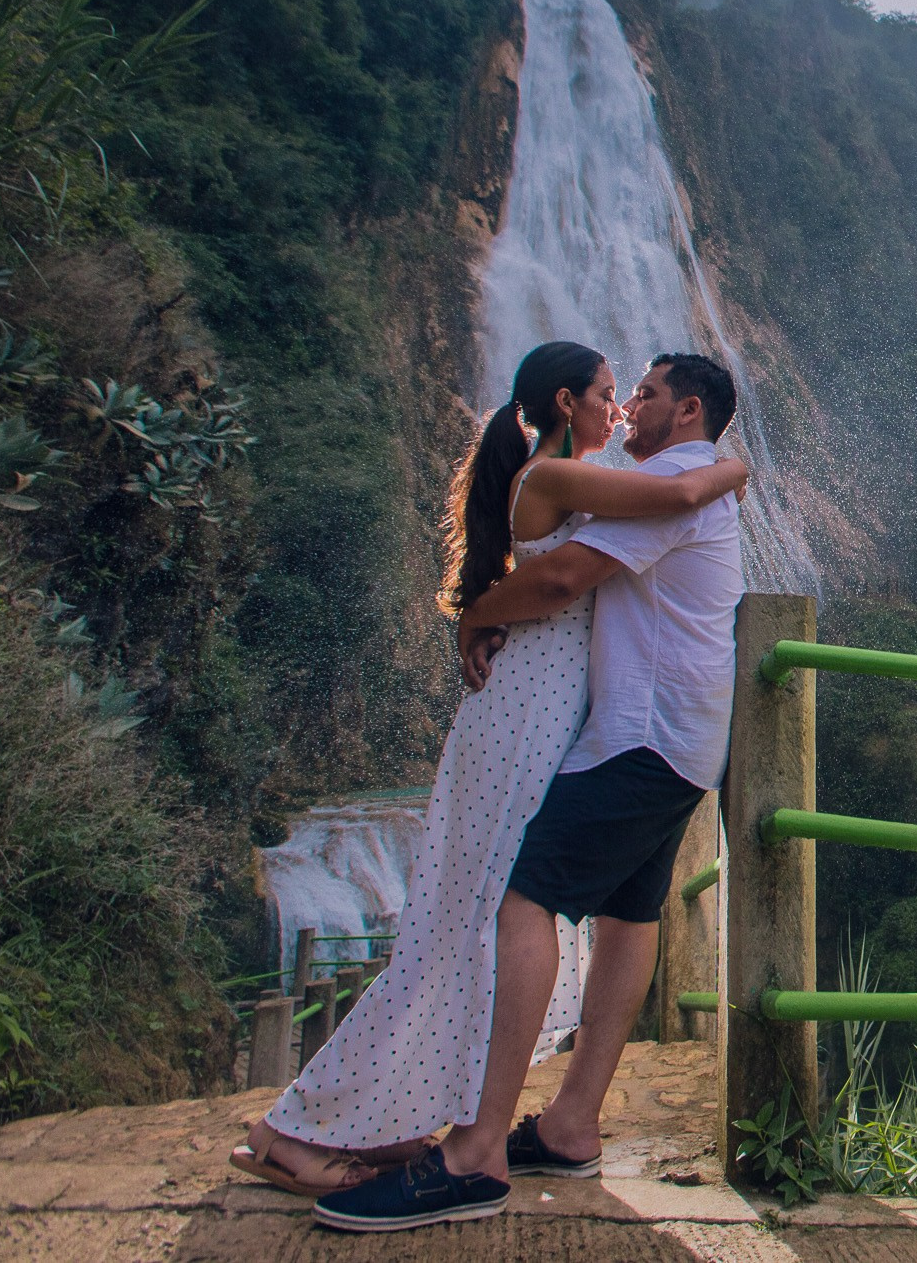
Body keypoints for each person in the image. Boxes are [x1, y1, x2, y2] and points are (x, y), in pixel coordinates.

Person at [233, 342, 747, 1198]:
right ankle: (532, 1121)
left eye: (641, 393)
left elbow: (566, 578)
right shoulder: (606, 478)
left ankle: (469, 1143)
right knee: (571, 913)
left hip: (630, 732)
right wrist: (478, 614)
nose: (624, 408)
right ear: (564, 400)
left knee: (510, 904)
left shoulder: (663, 476)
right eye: (612, 393)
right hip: (614, 729)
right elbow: (562, 577)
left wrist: (474, 611)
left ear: (686, 410)